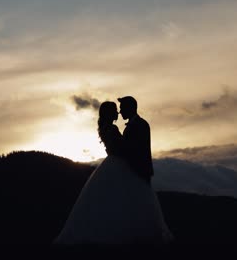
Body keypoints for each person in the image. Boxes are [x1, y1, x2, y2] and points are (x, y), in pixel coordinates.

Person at [53, 100, 173, 245]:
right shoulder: (113, 129)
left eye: (120, 109)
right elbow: (121, 148)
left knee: (113, 199)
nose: (118, 112)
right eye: (116, 110)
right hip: (119, 164)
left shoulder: (106, 128)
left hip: (115, 164)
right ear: (110, 113)